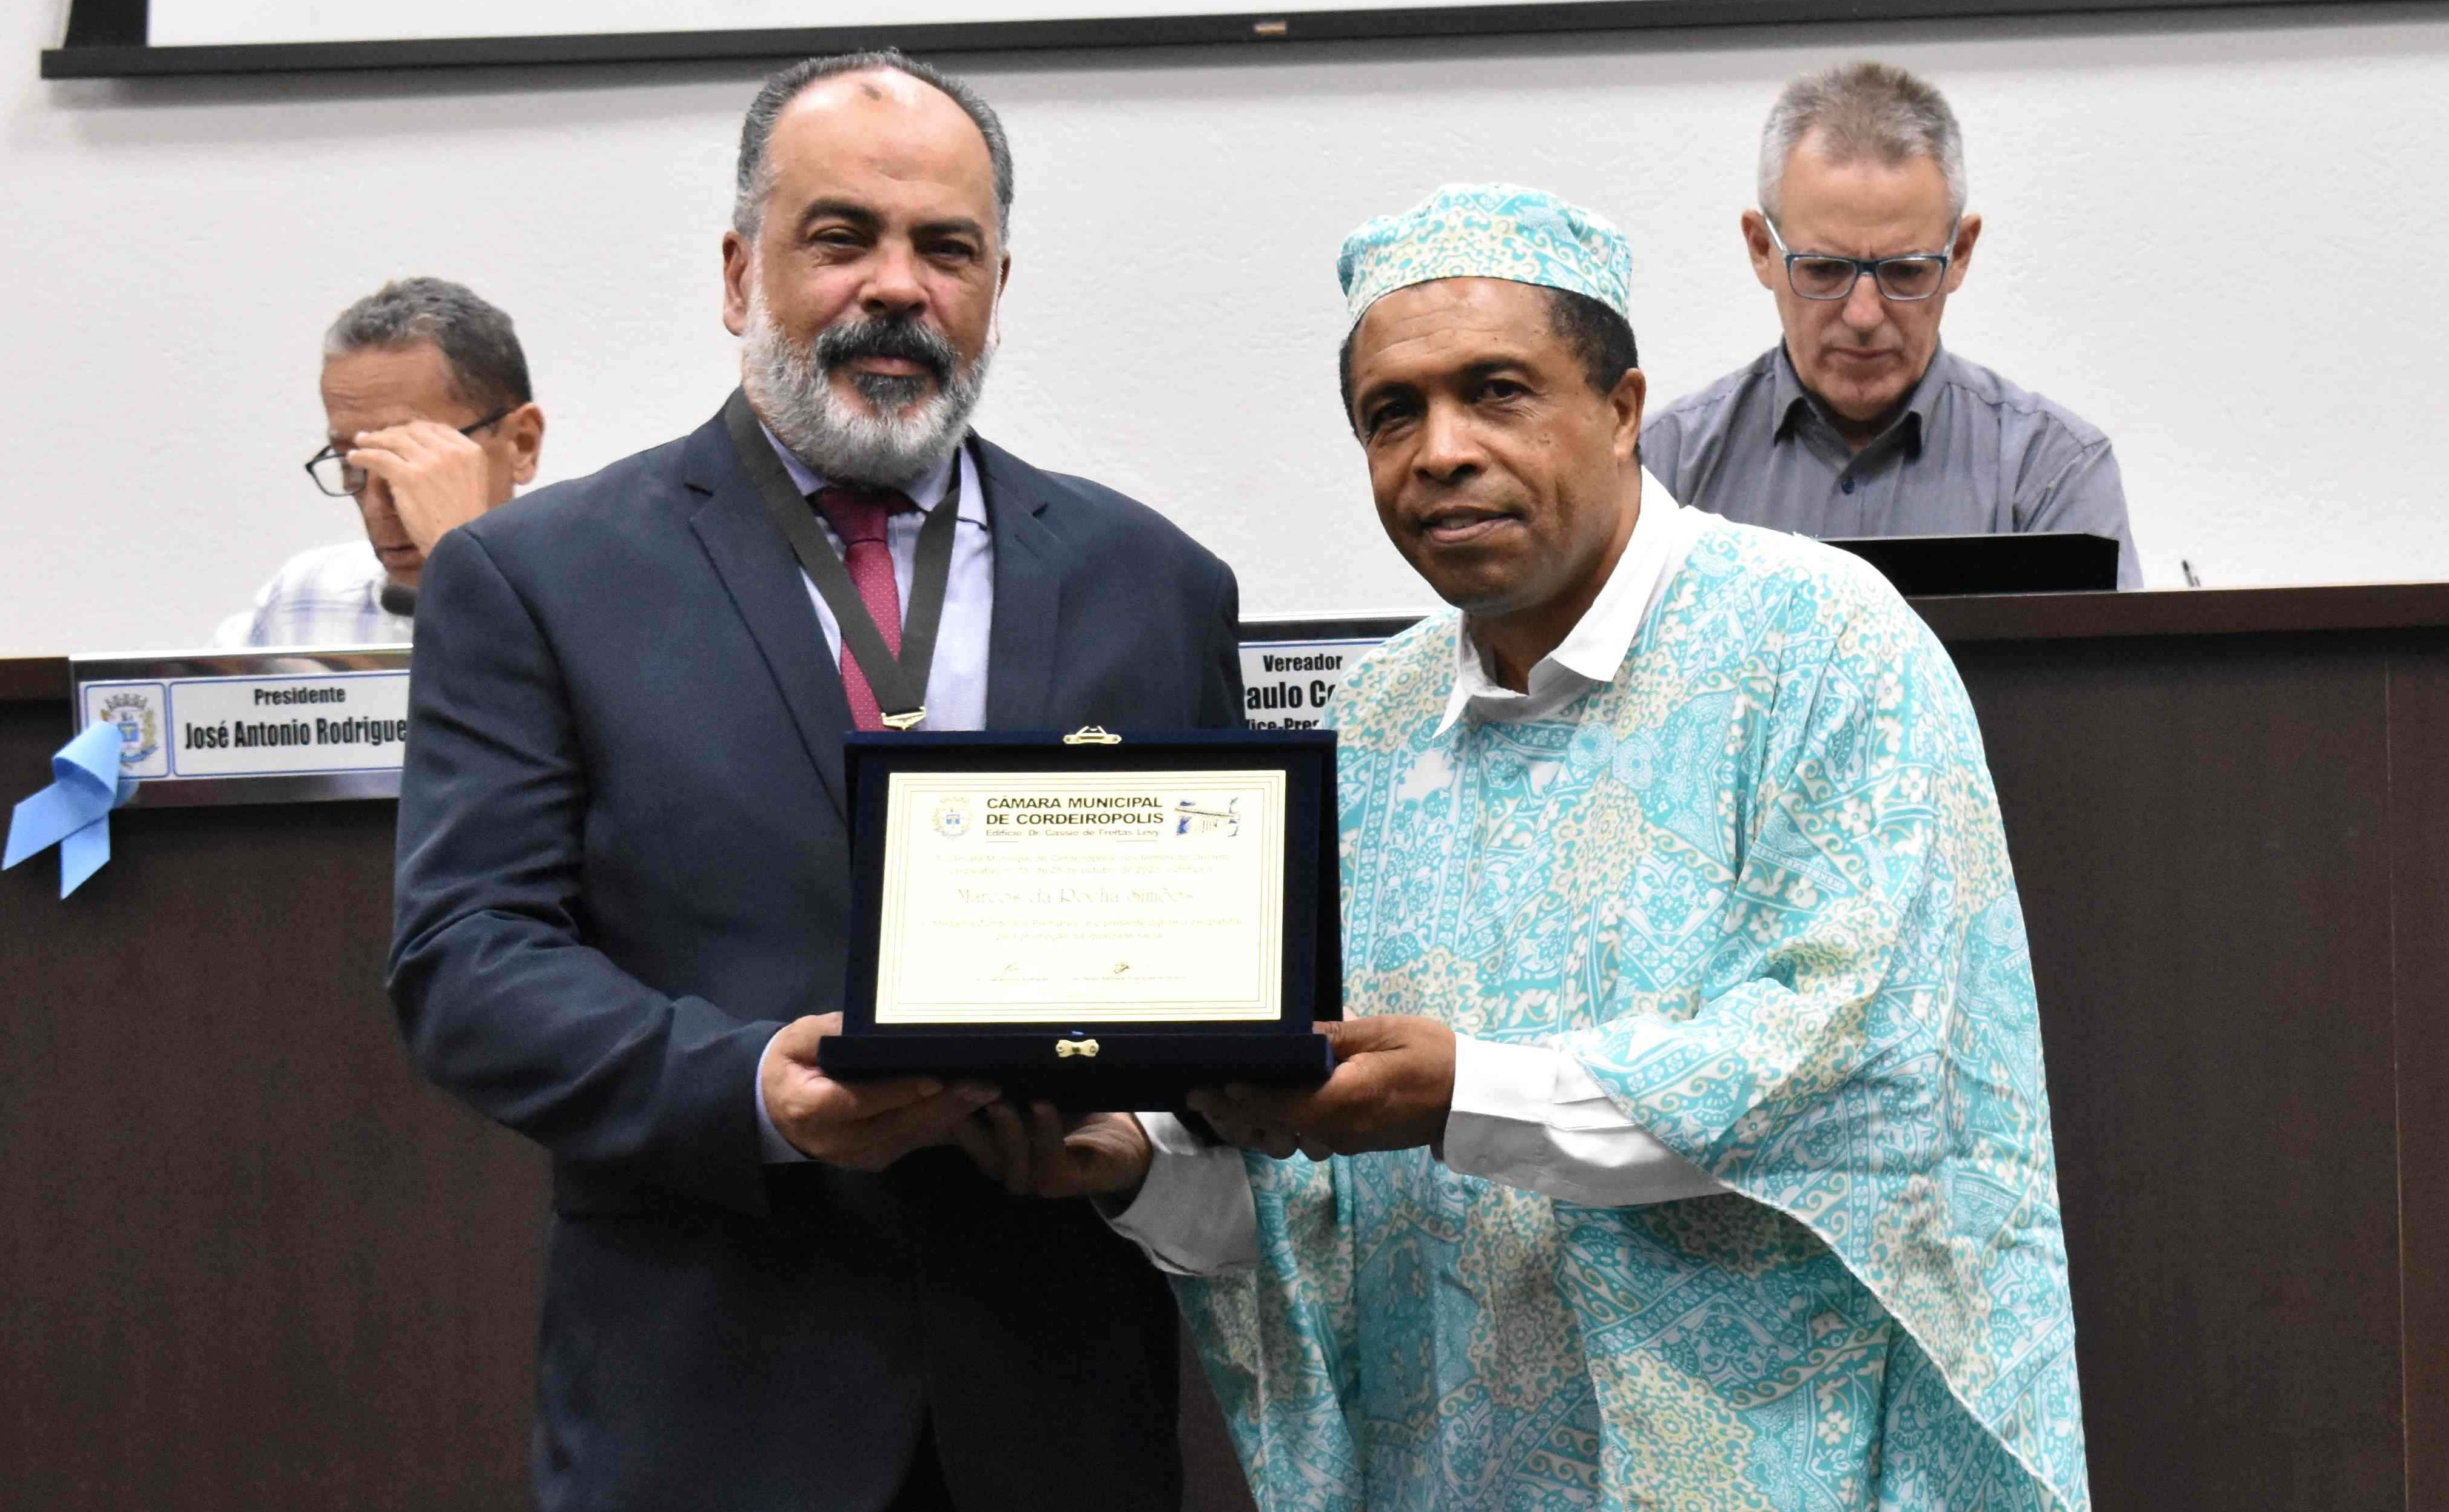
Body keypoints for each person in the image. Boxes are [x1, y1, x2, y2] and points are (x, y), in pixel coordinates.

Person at [954, 184, 2088, 1511]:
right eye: (1391, 413)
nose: (1437, 450)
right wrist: (1146, 1166)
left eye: (1495, 391)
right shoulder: (1361, 727)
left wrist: (1452, 1094)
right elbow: (1318, 1196)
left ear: (1620, 408)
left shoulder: (1821, 641)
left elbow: (1843, 1061)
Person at [387, 52, 1243, 1512]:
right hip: (710, 1409)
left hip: (1058, 1412)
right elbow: (465, 963)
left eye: (946, 249)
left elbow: (1222, 984)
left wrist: (1142, 1139)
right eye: (842, 237)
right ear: (740, 274)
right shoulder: (538, 580)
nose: (896, 287)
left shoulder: (1155, 585)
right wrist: (754, 1091)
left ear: (996, 285)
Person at [1640, 62, 2143, 588]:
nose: (1863, 315)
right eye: (1824, 269)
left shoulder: (2049, 472)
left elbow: (2094, 671)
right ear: (1762, 250)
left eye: (1905, 272)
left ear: (1960, 253)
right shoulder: (1663, 472)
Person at [216, 277, 546, 645]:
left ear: (521, 443)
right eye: (351, 462)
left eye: (409, 456)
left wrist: (465, 569)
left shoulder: (599, 599)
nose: (376, 506)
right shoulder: (304, 600)